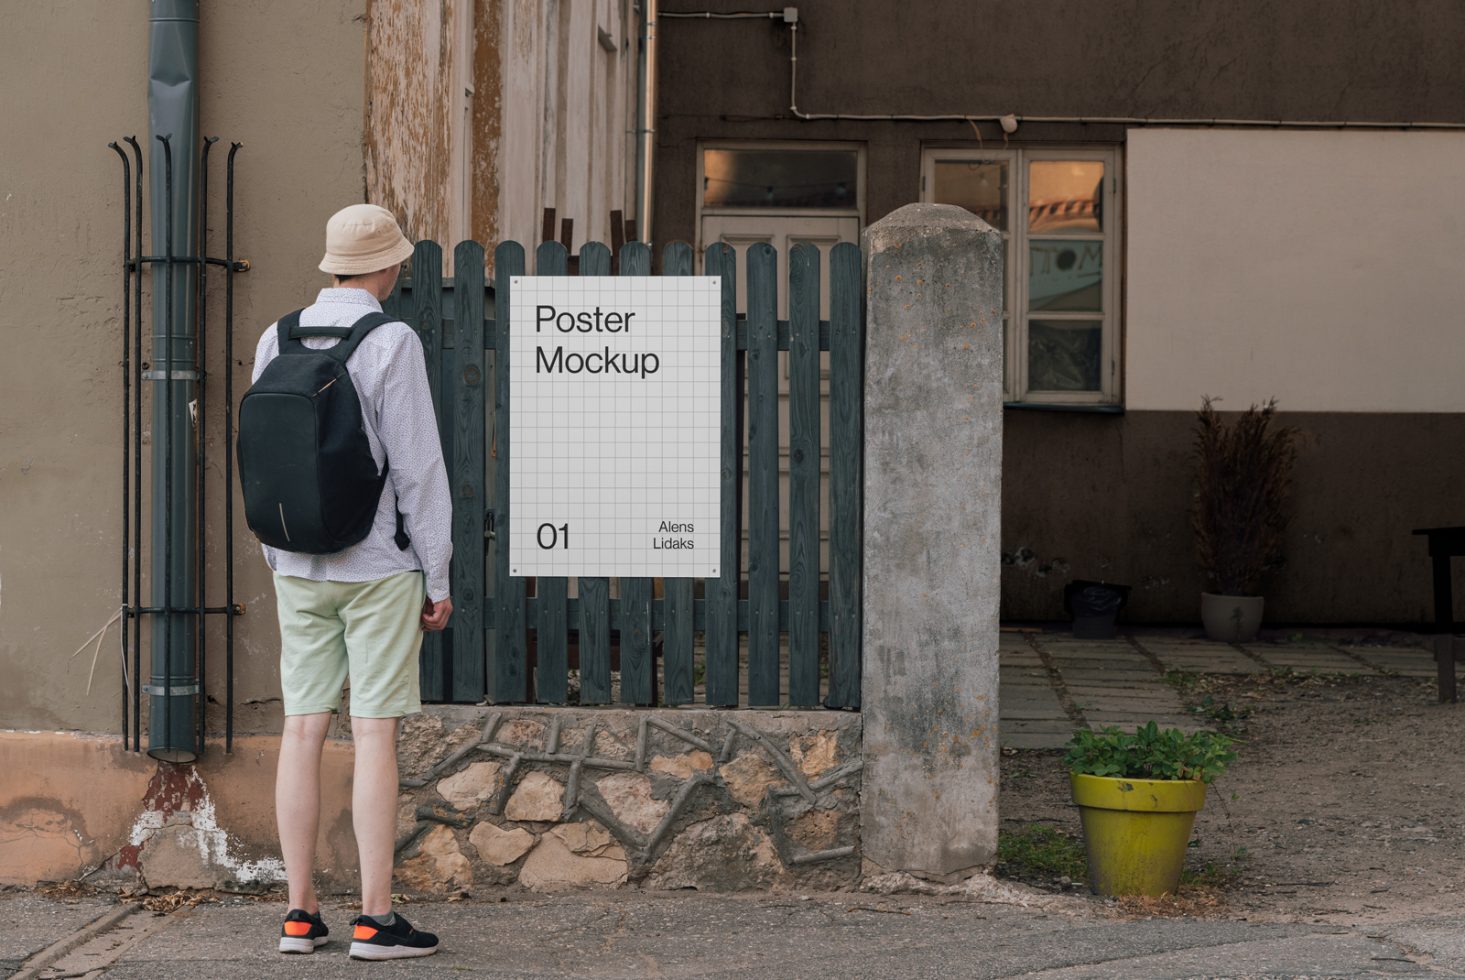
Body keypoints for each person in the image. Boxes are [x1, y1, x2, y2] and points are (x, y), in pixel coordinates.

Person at [252, 204, 453, 961]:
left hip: (296, 563)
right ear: (389, 267)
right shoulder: (391, 340)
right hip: (377, 569)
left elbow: (268, 453)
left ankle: (298, 917)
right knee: (373, 734)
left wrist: (278, 554)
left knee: (302, 730)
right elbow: (417, 467)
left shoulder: (279, 335)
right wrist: (436, 574)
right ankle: (374, 919)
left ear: (332, 263)